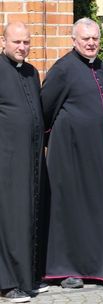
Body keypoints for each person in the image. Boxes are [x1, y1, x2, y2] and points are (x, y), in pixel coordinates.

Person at [41, 18, 103, 288]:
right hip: (70, 156)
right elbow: (45, 110)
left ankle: (98, 266)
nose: (90, 43)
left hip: (99, 154)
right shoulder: (63, 68)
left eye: (94, 39)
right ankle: (65, 269)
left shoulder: (100, 67)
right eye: (85, 39)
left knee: (97, 209)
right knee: (70, 211)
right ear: (73, 40)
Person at [0, 21, 48, 303]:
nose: (22, 47)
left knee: (29, 216)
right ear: (3, 42)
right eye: (17, 42)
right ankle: (7, 283)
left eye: (26, 42)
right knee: (9, 220)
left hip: (31, 159)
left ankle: (27, 276)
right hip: (6, 160)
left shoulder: (31, 72)